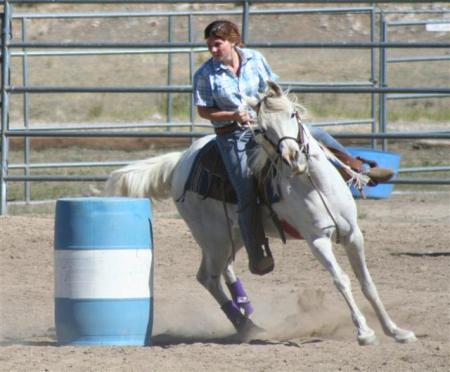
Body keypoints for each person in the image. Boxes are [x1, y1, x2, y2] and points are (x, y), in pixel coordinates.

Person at [193, 20, 393, 275]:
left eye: (217, 44)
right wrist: (233, 115)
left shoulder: (255, 59)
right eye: (210, 45)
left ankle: (359, 170)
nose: (212, 49)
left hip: (267, 124)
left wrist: (276, 110)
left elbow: (273, 88)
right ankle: (258, 250)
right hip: (233, 135)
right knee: (244, 186)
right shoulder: (205, 74)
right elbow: (203, 110)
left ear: (233, 41)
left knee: (317, 135)